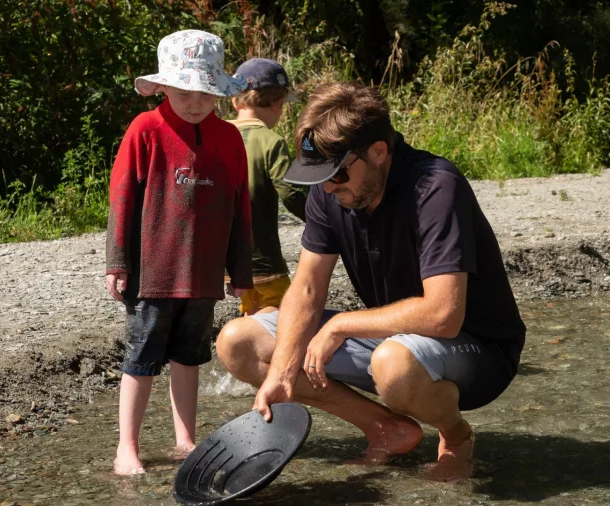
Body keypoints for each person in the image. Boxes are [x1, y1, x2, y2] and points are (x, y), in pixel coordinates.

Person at [216, 82, 525, 482]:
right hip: (394, 338)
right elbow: (307, 287)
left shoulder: (435, 188)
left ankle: (456, 435)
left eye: (337, 174)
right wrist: (281, 370)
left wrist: (341, 325)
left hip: (479, 349)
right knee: (239, 342)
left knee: (393, 364)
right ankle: (387, 429)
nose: (328, 187)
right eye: (319, 176)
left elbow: (444, 315)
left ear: (378, 152)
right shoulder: (332, 190)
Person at [105, 29, 253, 475]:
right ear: (164, 86)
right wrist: (116, 262)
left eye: (206, 92)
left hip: (203, 273)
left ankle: (184, 438)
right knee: (142, 355)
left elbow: (240, 206)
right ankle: (126, 447)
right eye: (185, 91)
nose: (195, 102)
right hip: (153, 270)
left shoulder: (229, 138)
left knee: (191, 354)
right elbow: (121, 197)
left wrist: (240, 271)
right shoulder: (145, 129)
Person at [228, 58, 308, 316]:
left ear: (234, 100)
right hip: (262, 260)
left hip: (226, 260)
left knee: (249, 312)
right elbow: (290, 192)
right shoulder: (271, 142)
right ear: (277, 103)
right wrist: (320, 218)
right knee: (280, 314)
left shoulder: (217, 136)